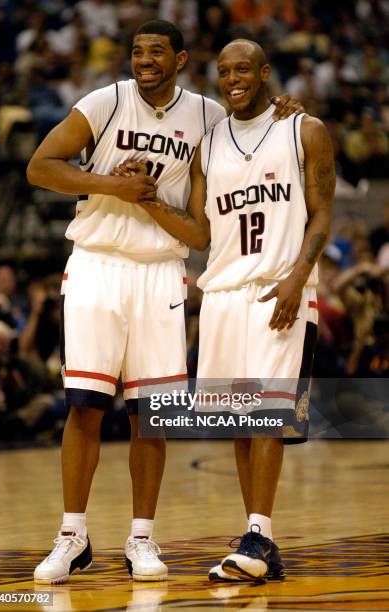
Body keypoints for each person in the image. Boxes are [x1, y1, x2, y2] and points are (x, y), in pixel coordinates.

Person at [26, 19, 302, 585]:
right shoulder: (105, 101)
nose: (144, 60)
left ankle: (142, 537)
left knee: (150, 414)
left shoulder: (205, 115)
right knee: (84, 406)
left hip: (161, 271)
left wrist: (284, 109)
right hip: (97, 264)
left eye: (156, 52)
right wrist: (111, 185)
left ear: (179, 60)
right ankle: (72, 535)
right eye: (136, 51)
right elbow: (40, 167)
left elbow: (252, 131)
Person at [121, 39, 335, 582]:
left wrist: (298, 277)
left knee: (267, 415)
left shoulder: (303, 130)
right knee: (243, 422)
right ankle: (260, 542)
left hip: (277, 291)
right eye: (223, 71)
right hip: (221, 295)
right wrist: (144, 197)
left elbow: (322, 215)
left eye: (244, 69)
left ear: (265, 72)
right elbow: (200, 232)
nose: (233, 78)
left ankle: (259, 534)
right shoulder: (208, 144)